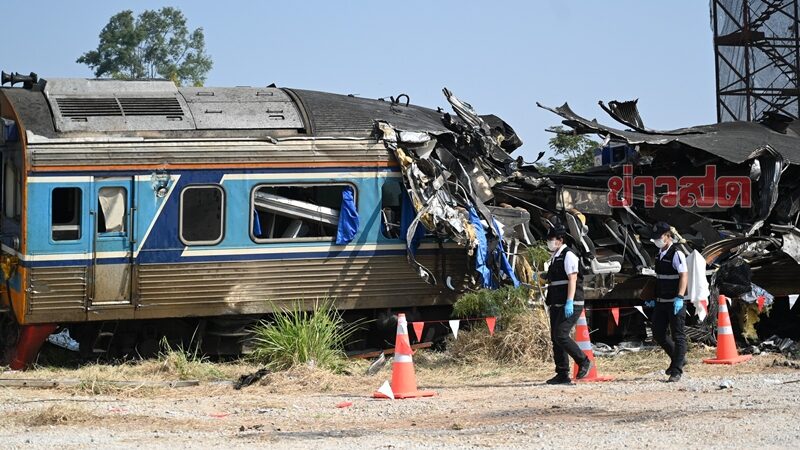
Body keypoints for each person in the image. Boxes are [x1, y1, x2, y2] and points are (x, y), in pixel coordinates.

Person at [543, 224, 592, 384]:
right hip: (557, 303)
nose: (549, 242)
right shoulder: (555, 256)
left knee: (561, 334)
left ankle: (583, 360)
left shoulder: (568, 255)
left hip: (570, 302)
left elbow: (572, 279)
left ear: (560, 239)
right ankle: (562, 373)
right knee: (555, 338)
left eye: (552, 239)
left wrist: (570, 301)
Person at [644, 221, 688, 382]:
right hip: (661, 300)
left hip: (675, 300)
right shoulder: (659, 254)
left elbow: (684, 275)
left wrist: (680, 297)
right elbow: (659, 278)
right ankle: (678, 358)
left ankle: (676, 370)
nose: (657, 240)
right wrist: (653, 298)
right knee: (658, 333)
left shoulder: (677, 254)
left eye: (659, 237)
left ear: (668, 236)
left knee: (678, 335)